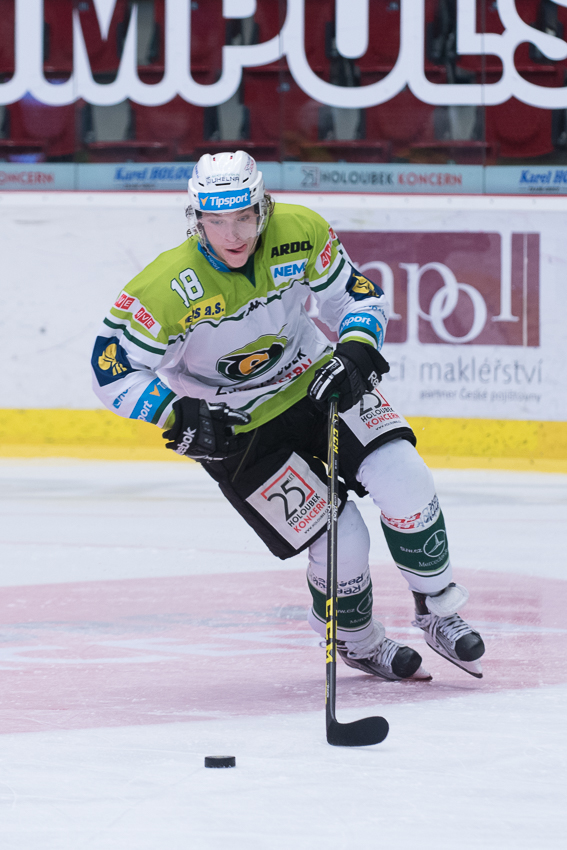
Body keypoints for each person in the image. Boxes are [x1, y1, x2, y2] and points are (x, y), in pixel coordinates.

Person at [91, 150, 485, 681]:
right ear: (196, 218)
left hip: (315, 381)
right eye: (216, 220)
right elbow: (110, 368)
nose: (233, 235)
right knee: (342, 538)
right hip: (236, 430)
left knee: (405, 476)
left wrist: (357, 349)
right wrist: (174, 412)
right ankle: (357, 640)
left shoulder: (300, 231)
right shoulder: (165, 286)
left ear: (264, 207)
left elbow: (357, 297)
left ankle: (437, 607)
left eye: (244, 217)